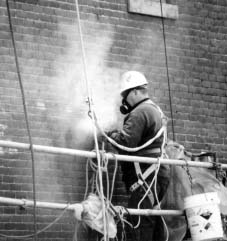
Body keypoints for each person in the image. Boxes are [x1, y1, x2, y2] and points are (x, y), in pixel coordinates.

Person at [106, 71, 170, 241]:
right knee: (151, 223)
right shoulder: (154, 109)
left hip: (146, 179)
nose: (124, 101)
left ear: (134, 91)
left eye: (125, 95)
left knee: (139, 226)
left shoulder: (139, 112)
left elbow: (126, 143)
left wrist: (110, 135)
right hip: (155, 176)